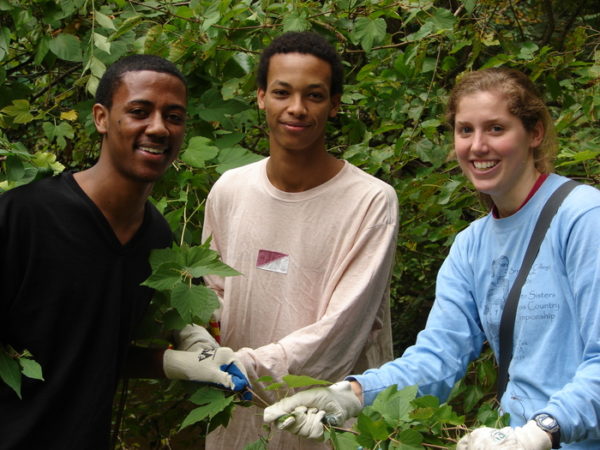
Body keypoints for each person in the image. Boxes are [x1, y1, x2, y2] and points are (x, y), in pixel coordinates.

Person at [263, 67, 600, 449]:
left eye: (496, 129)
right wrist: (349, 394)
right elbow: (438, 358)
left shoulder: (584, 218)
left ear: (534, 133)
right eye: (465, 130)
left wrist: (543, 430)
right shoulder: (471, 246)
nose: (477, 146)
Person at [0, 54, 248, 450]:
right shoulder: (23, 216)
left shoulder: (155, 239)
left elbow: (93, 354)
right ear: (101, 117)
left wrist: (177, 364)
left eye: (174, 116)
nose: (158, 128)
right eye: (139, 111)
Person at [200, 31, 399, 448]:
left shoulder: (370, 202)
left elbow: (343, 329)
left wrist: (246, 365)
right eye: (282, 92)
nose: (296, 108)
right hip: (235, 416)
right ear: (260, 97)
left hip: (322, 423)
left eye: (314, 95)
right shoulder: (230, 190)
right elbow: (210, 297)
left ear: (335, 104)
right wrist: (201, 345)